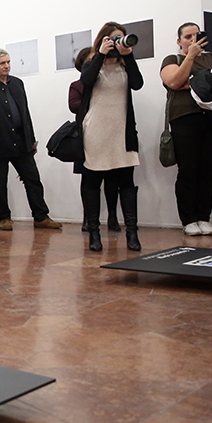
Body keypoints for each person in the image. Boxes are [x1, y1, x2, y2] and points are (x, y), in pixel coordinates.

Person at [0, 48, 62, 231]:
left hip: (21, 142)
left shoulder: (17, 84)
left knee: (33, 179)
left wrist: (31, 140)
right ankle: (3, 217)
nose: (7, 66)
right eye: (2, 63)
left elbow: (25, 113)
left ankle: (41, 216)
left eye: (8, 62)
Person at [160, 23, 212, 235]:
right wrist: (191, 58)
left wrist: (191, 81)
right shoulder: (172, 59)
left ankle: (204, 217)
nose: (193, 39)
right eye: (187, 36)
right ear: (179, 41)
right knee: (188, 170)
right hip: (184, 118)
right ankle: (189, 219)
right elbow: (174, 81)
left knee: (207, 171)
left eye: (197, 34)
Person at [78, 23, 144, 252]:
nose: (117, 43)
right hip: (96, 132)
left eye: (121, 38)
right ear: (103, 40)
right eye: (114, 39)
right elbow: (86, 80)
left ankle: (132, 233)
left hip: (121, 132)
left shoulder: (125, 66)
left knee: (127, 184)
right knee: (92, 184)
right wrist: (100, 54)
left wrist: (129, 55)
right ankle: (94, 233)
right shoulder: (92, 64)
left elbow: (138, 84)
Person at [68, 48, 121, 232]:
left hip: (110, 133)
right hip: (88, 135)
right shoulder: (77, 85)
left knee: (112, 178)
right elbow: (73, 105)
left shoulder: (110, 81)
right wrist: (95, 101)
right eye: (91, 60)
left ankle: (113, 216)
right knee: (88, 180)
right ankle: (88, 218)